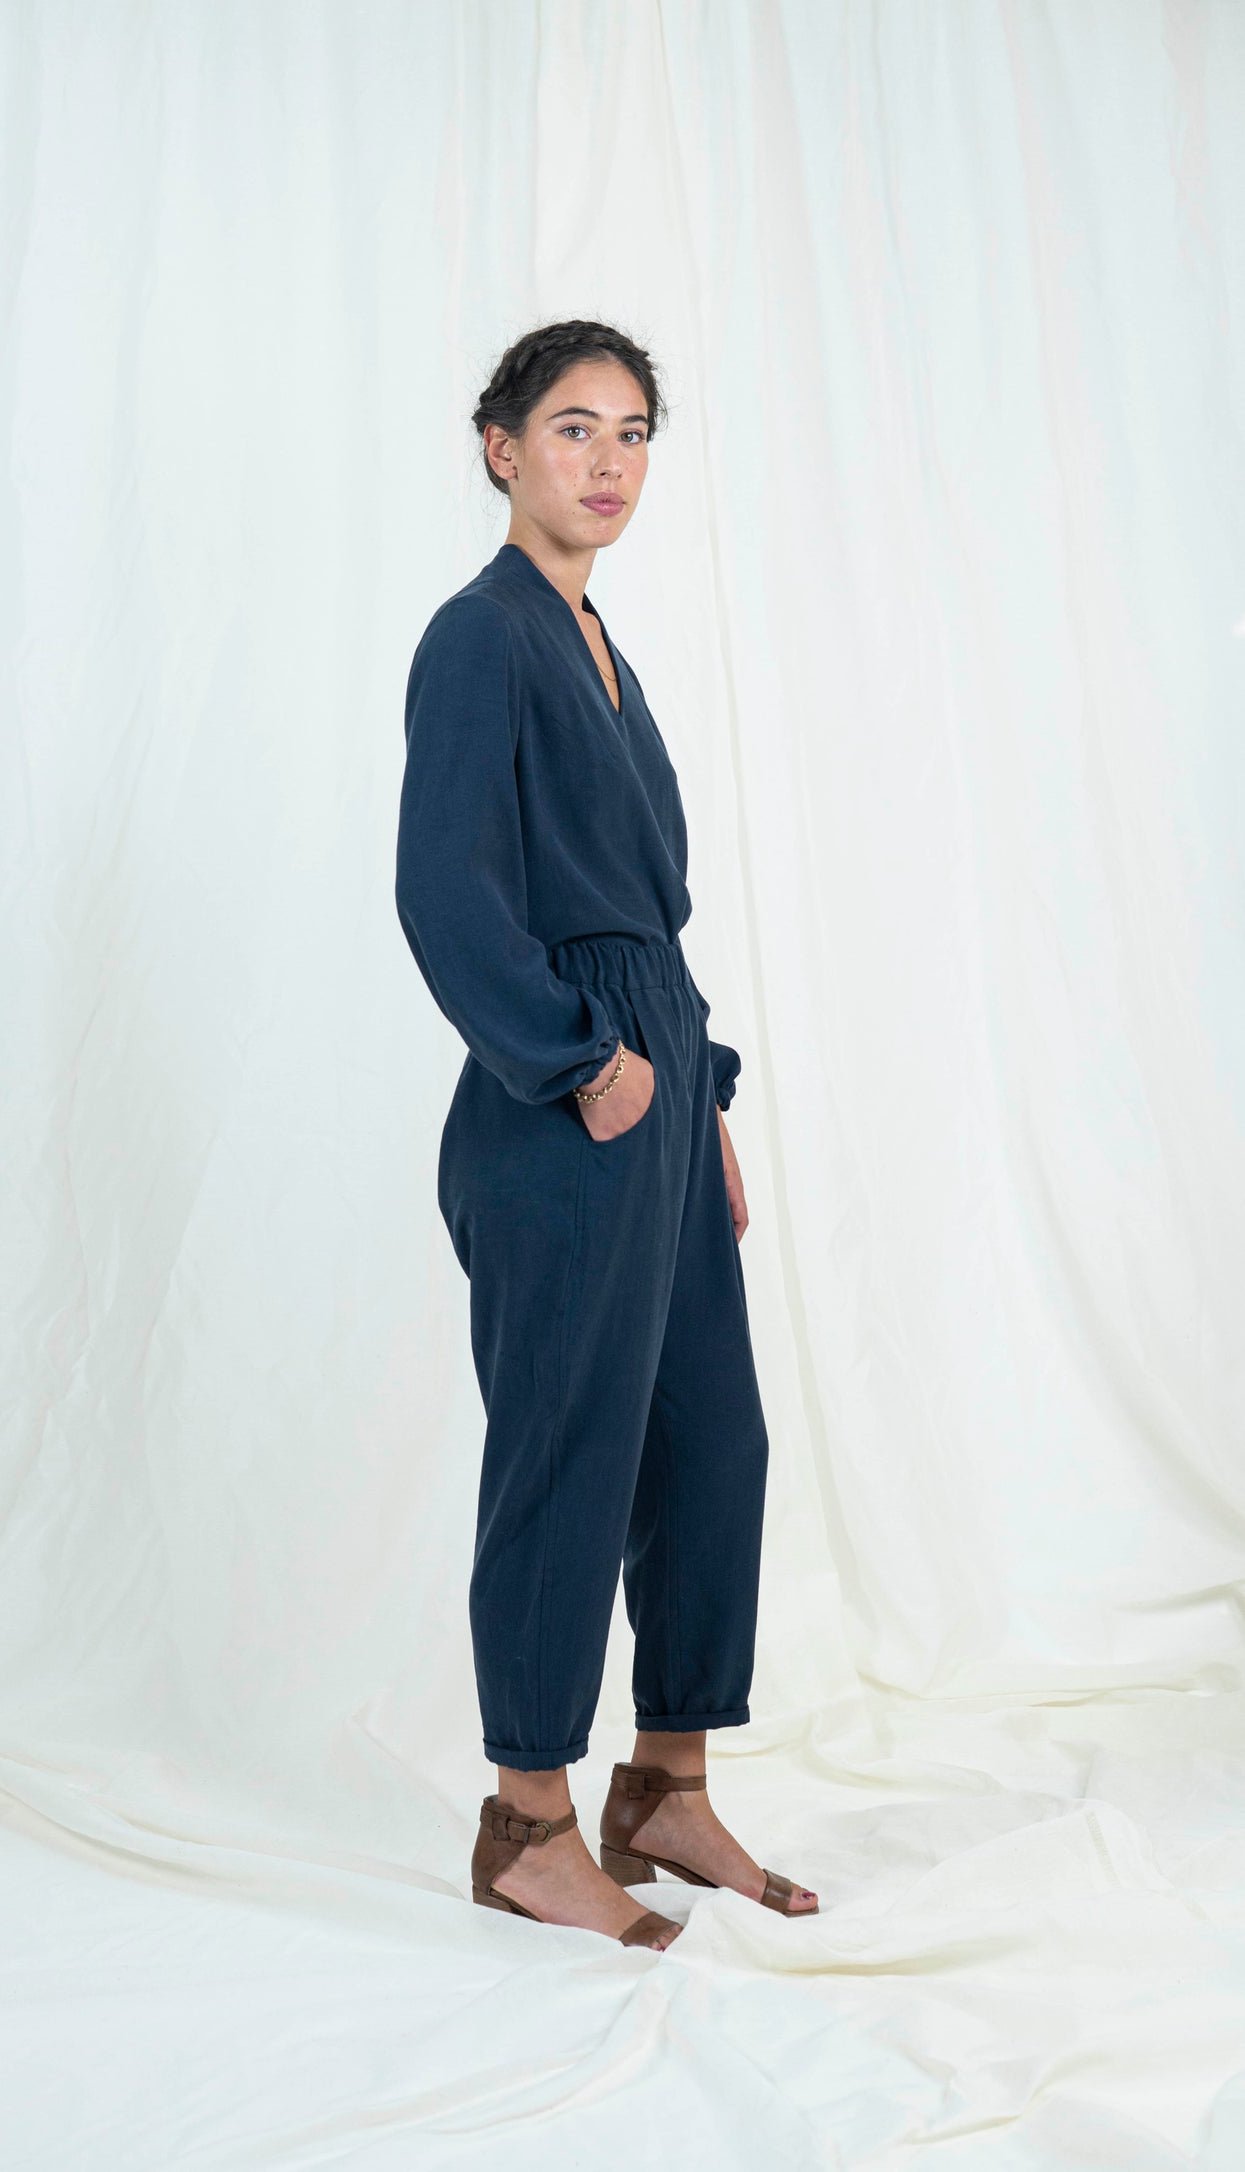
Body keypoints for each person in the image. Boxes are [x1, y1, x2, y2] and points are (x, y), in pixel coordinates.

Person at [395, 319, 819, 1952]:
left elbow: (651, 921)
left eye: (633, 433)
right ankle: (524, 1822)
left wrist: (690, 1093)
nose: (606, 461)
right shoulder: (480, 635)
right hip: (554, 1104)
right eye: (571, 428)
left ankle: (665, 1788)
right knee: (567, 1454)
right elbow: (443, 889)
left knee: (714, 1442)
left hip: (651, 1096)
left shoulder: (605, 652)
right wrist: (576, 1059)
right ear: (499, 448)